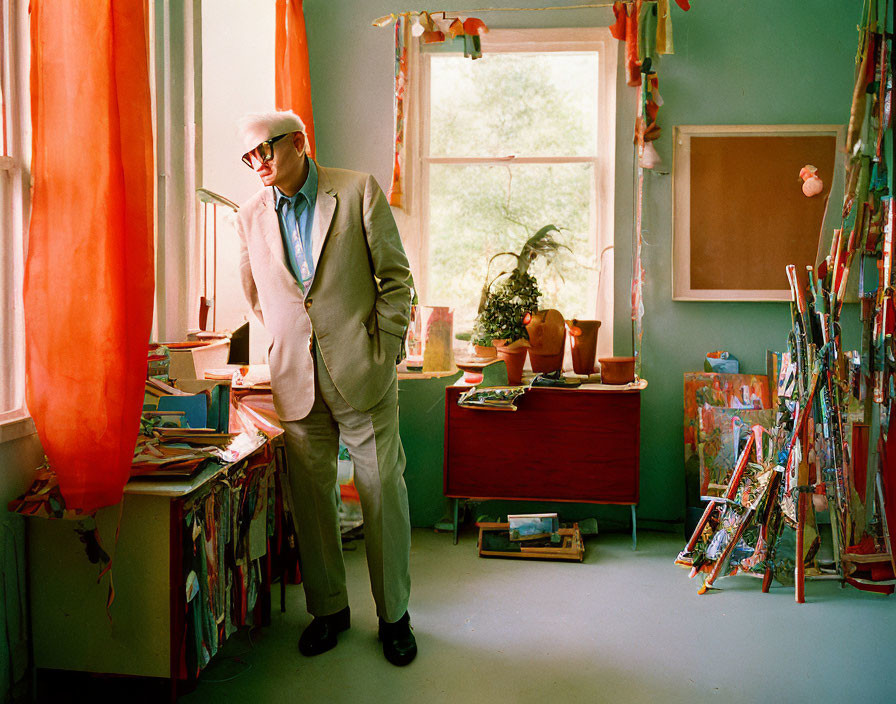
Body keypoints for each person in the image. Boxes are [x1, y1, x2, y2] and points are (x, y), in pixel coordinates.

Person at [235, 110, 416, 666]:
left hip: (363, 372)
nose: (258, 163)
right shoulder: (248, 217)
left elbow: (397, 279)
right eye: (249, 157)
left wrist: (382, 346)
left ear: (298, 143)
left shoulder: (357, 190)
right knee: (313, 503)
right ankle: (329, 610)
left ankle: (394, 617)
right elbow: (258, 296)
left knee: (383, 492)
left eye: (265, 149)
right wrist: (290, 343)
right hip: (295, 377)